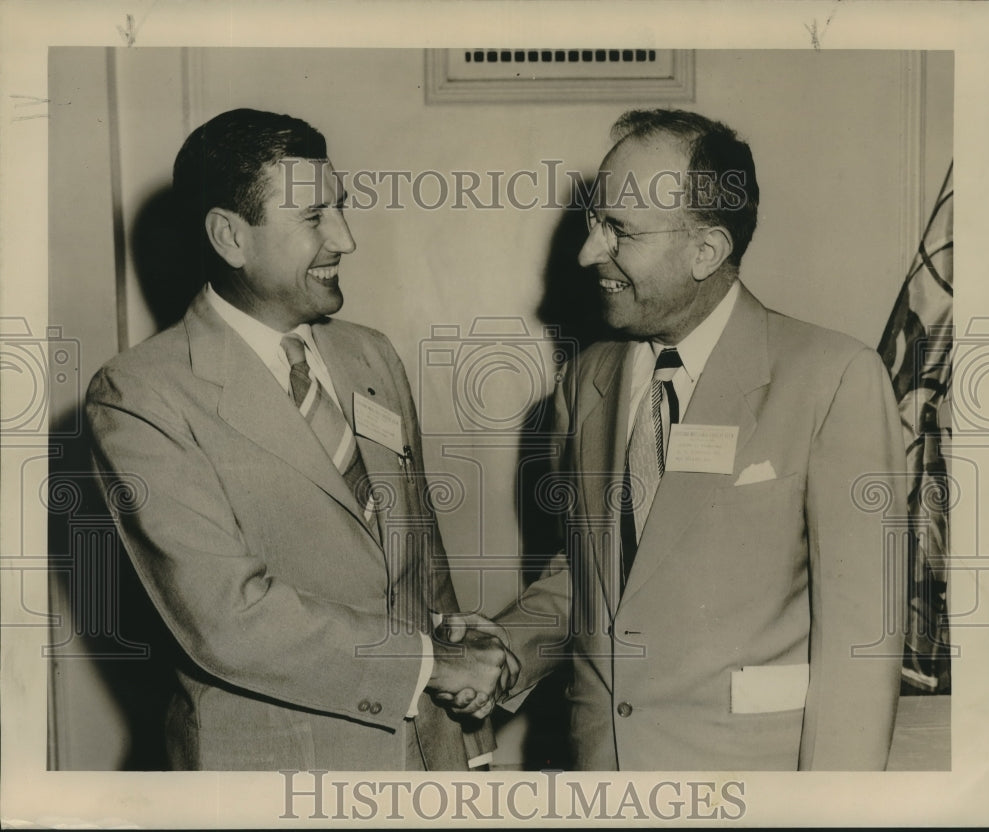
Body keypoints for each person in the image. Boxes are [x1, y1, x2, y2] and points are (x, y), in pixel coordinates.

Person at [445, 108, 906, 770]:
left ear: (706, 251)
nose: (587, 252)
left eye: (619, 231)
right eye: (594, 222)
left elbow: (863, 646)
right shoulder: (587, 380)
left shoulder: (833, 380)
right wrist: (505, 649)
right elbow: (593, 577)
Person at [86, 108, 515, 771]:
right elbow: (226, 618)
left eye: (340, 209)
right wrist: (429, 664)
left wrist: (468, 733)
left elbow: (422, 566)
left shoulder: (371, 358)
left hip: (426, 757)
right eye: (314, 218)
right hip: (276, 774)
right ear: (230, 236)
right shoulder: (140, 394)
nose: (344, 239)